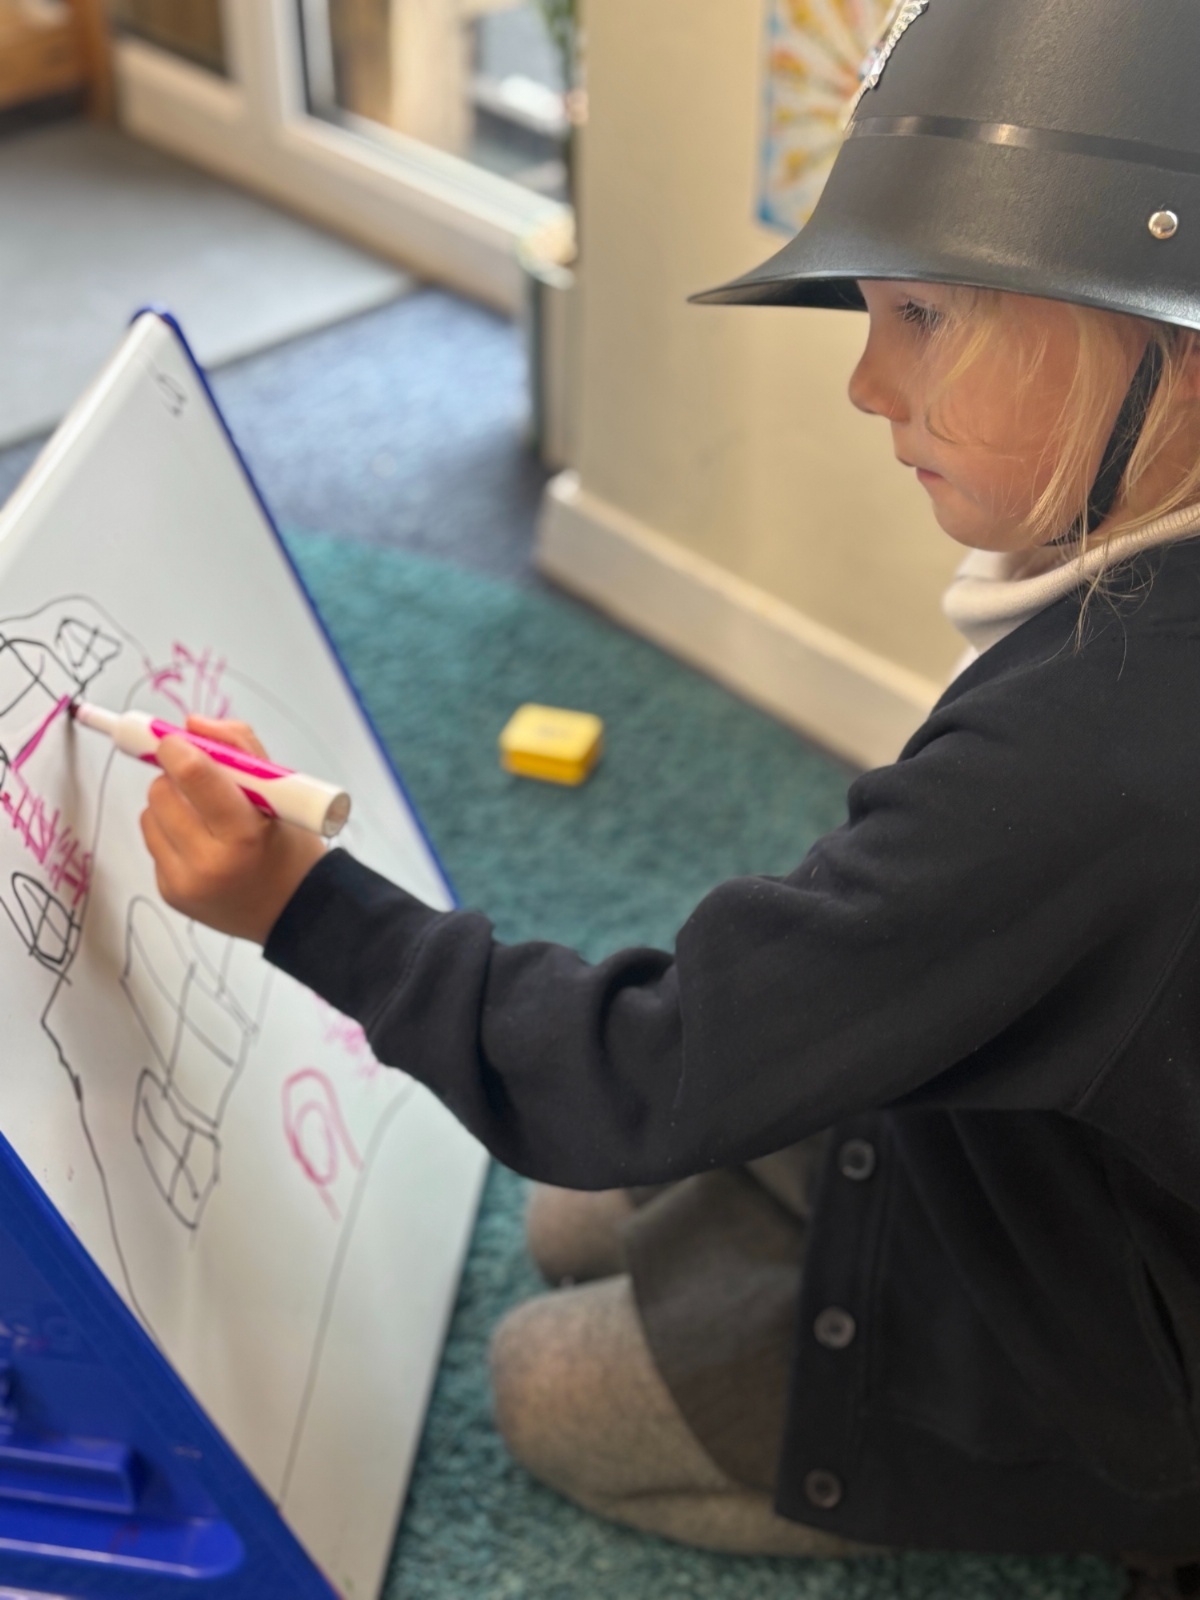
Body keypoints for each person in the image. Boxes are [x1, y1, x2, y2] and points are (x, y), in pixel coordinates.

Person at [137, 0, 1200, 1591]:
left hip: (1112, 1334)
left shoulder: (1079, 767)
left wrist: (306, 909)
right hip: (1060, 1152)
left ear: (1165, 349)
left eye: (922, 316)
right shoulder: (1124, 651)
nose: (867, 382)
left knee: (541, 1379)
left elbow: (636, 1079)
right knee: (579, 1231)